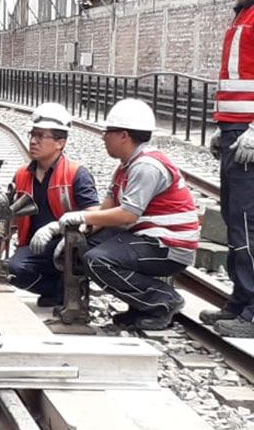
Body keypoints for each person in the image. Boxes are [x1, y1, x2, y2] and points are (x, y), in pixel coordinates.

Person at [55, 99, 199, 330]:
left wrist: (82, 217)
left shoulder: (146, 166)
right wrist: (77, 235)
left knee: (99, 260)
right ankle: (140, 305)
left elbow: (127, 215)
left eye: (107, 132)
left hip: (169, 246)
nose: (103, 138)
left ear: (124, 135)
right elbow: (107, 209)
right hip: (150, 239)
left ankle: (162, 300)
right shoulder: (126, 166)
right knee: (83, 249)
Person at [200, 0, 254, 338]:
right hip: (235, 132)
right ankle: (240, 300)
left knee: (248, 222)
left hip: (248, 134)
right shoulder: (242, 14)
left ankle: (251, 311)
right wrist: (227, 127)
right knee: (236, 219)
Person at [7, 102, 101, 307]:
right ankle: (56, 289)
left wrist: (62, 231)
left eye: (41, 136)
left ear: (60, 142)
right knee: (12, 270)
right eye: (32, 134)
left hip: (66, 245)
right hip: (34, 245)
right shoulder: (23, 174)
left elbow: (96, 216)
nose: (33, 141)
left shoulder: (76, 174)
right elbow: (11, 217)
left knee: (68, 258)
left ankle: (69, 288)